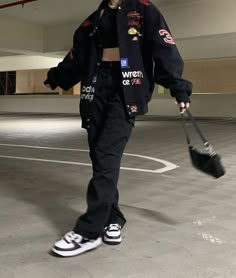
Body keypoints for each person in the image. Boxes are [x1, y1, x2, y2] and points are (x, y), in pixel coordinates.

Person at [44, 0, 192, 257]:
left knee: (106, 153)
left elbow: (164, 49)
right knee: (99, 158)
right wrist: (57, 77)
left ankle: (89, 232)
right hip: (95, 88)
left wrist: (178, 86)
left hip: (126, 90)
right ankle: (113, 218)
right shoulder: (93, 19)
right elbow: (77, 56)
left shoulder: (144, 10)